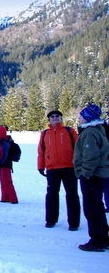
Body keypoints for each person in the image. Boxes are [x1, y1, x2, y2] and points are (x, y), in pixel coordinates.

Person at [73, 103, 109, 252]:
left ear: (87, 117)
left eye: (81, 115)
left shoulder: (89, 133)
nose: (79, 118)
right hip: (99, 175)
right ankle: (103, 237)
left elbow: (91, 155)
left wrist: (85, 173)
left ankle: (97, 240)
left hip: (92, 176)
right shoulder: (98, 130)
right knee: (97, 206)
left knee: (92, 208)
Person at [37, 109, 81, 230]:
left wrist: (79, 165)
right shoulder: (45, 133)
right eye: (52, 117)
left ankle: (74, 223)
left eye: (57, 116)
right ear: (49, 120)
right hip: (52, 168)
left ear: (61, 118)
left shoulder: (69, 131)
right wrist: (41, 166)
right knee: (51, 195)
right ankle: (50, 220)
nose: (55, 118)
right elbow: (41, 151)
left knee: (72, 195)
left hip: (69, 168)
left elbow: (79, 149)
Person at [0, 126, 18, 204]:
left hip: (5, 164)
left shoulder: (5, 142)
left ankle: (13, 199)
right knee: (3, 181)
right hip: (4, 164)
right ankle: (5, 198)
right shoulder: (2, 140)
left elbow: (4, 155)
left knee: (7, 182)